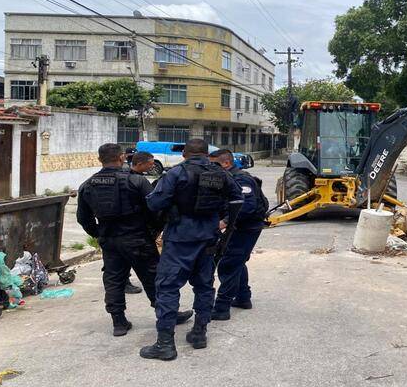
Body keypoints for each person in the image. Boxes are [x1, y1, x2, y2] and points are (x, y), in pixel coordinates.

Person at [140, 139, 242, 361]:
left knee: (167, 288)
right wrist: (226, 224)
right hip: (208, 239)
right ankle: (199, 334)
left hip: (179, 239)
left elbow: (154, 203)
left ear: (184, 153)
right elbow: (238, 199)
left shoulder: (175, 173)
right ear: (206, 153)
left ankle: (165, 344)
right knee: (204, 286)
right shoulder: (221, 174)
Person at [76, 143, 192, 337]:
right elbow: (155, 208)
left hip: (110, 240)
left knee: (114, 279)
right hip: (138, 238)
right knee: (154, 278)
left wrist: (99, 233)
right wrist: (154, 231)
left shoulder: (87, 185)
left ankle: (118, 322)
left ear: (99, 159)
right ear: (122, 157)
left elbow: (83, 218)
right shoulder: (136, 181)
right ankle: (167, 315)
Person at [208, 149, 268, 321]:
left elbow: (246, 206)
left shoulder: (241, 179)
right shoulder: (226, 177)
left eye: (213, 165)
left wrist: (224, 222)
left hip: (247, 228)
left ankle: (221, 308)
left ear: (226, 163)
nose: (210, 168)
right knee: (237, 262)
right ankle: (243, 298)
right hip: (239, 226)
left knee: (228, 264)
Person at [122, 151, 157, 295]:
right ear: (140, 164)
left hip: (116, 230)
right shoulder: (137, 180)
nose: (152, 166)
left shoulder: (127, 176)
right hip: (134, 228)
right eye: (150, 164)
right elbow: (152, 204)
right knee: (147, 265)